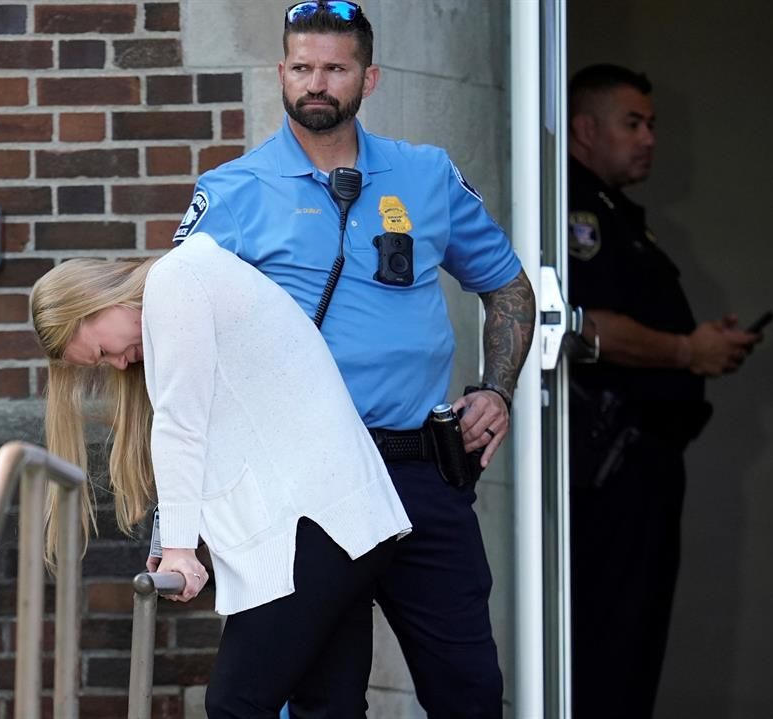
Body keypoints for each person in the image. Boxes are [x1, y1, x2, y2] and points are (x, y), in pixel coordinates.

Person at [173, 2, 536, 716]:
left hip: (419, 470)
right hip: (306, 487)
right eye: (302, 66)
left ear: (369, 78)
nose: (317, 82)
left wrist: (498, 390)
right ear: (281, 72)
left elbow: (507, 286)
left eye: (335, 68)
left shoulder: (425, 174)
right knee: (323, 700)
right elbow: (181, 338)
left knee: (470, 690)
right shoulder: (233, 191)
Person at [31, 231, 412, 718]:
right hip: (344, 522)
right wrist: (169, 539)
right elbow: (209, 426)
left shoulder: (175, 281)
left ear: (94, 301)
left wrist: (179, 550)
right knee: (329, 706)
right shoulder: (195, 279)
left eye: (103, 350)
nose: (118, 363)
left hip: (312, 528)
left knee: (237, 704)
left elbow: (183, 426)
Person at [566, 63, 762, 719]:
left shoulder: (622, 216)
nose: (649, 138)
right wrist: (687, 350)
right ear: (585, 130)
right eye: (633, 123)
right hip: (610, 463)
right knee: (608, 647)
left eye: (652, 125)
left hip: (643, 464)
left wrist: (699, 343)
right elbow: (581, 324)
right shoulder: (577, 211)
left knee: (636, 644)